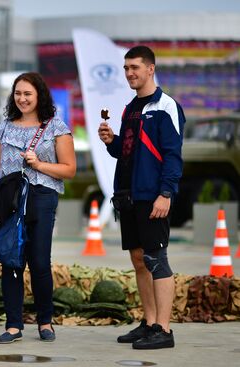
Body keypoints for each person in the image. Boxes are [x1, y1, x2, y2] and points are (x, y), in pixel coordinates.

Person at [98, 45, 185, 350]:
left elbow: (173, 156)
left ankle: (164, 329)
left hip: (153, 196)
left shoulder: (166, 107)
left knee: (156, 259)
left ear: (150, 69)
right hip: (129, 196)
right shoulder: (131, 108)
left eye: (135, 67)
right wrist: (112, 142)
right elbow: (129, 152)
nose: (129, 73)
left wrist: (166, 194)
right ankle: (149, 323)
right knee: (139, 260)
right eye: (126, 68)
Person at [0, 72, 76, 343]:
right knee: (11, 262)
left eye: (28, 94)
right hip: (8, 201)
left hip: (42, 198)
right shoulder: (4, 127)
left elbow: (69, 169)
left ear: (39, 96)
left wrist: (39, 165)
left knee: (39, 263)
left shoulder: (57, 127)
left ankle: (45, 322)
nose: (22, 99)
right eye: (18, 93)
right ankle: (13, 325)